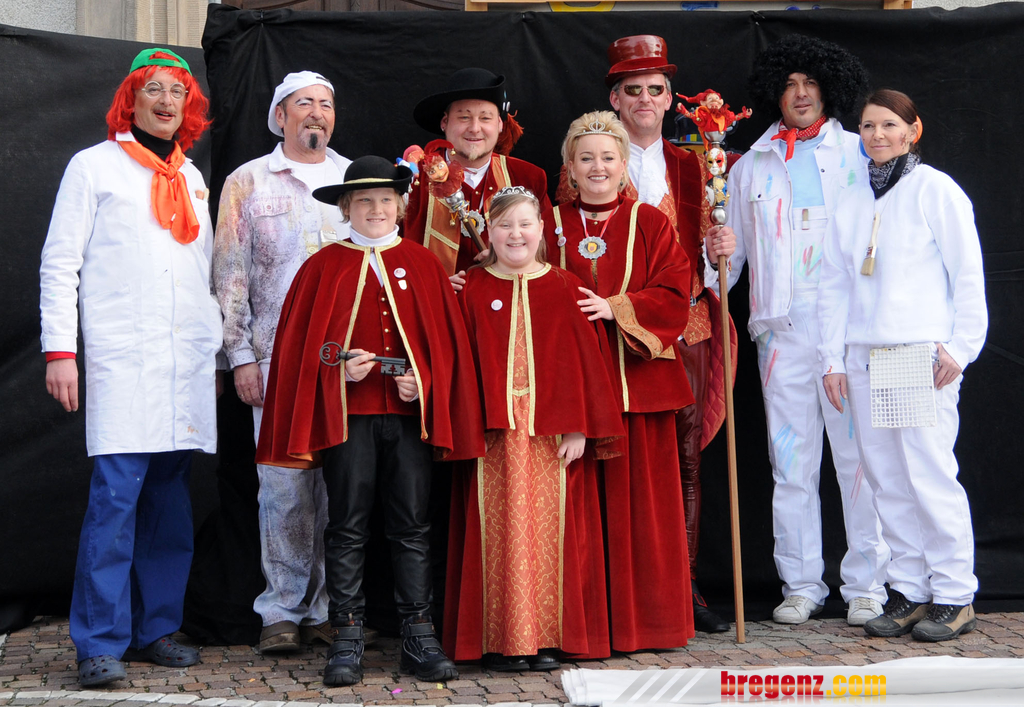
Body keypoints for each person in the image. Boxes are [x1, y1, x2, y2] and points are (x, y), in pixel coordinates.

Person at [254, 156, 485, 685]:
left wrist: (423, 382)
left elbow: (447, 348)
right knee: (347, 526)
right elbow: (302, 351)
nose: (376, 209)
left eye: (385, 200)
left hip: (407, 420)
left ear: (400, 206)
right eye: (364, 201)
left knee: (412, 526)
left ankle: (419, 636)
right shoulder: (322, 266)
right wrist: (339, 370)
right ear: (345, 208)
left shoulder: (423, 263)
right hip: (349, 418)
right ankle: (347, 637)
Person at [39, 48, 221, 686]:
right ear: (131, 100)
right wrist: (60, 352)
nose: (167, 101)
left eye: (178, 91)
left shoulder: (192, 178)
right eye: (155, 89)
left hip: (183, 363)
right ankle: (99, 642)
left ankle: (156, 629)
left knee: (169, 503)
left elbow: (202, 275)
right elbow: (60, 263)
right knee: (115, 502)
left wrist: (214, 352)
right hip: (123, 360)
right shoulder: (93, 167)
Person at [714, 35, 888, 626]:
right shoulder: (749, 165)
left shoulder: (859, 152)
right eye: (789, 84)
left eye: (810, 82)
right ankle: (801, 585)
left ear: (829, 87)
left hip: (848, 334)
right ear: (775, 94)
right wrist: (710, 263)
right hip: (780, 334)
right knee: (790, 466)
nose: (800, 93)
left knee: (859, 463)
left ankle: (867, 586)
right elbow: (730, 264)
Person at [818, 89, 987, 642]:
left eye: (890, 124)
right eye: (868, 126)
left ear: (913, 131)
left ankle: (954, 594)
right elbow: (834, 284)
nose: (877, 135)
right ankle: (910, 590)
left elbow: (968, 273)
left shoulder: (935, 189)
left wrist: (961, 346)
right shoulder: (851, 199)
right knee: (886, 482)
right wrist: (832, 358)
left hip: (917, 354)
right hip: (864, 356)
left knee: (928, 476)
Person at [444, 187, 623, 670]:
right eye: (504, 225)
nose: (515, 234)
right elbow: (456, 363)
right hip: (493, 435)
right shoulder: (472, 288)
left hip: (550, 434)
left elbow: (584, 363)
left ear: (542, 229)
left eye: (525, 224)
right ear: (489, 231)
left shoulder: (563, 285)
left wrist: (579, 427)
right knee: (498, 531)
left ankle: (546, 638)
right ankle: (501, 641)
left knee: (549, 534)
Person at [543, 111, 694, 651]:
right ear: (569, 166)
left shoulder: (650, 221)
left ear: (624, 163)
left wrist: (617, 308)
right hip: (570, 389)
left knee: (642, 514)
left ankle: (646, 625)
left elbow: (676, 290)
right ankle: (582, 629)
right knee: (576, 514)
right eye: (586, 158)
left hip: (638, 382)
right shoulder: (546, 223)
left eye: (608, 157)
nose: (598, 167)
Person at [213, 70, 351, 653]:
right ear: (279, 116)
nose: (316, 112)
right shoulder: (248, 181)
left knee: (339, 489)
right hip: (275, 360)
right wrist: (239, 356)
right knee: (284, 489)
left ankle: (328, 610)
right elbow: (230, 274)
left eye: (325, 103)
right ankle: (282, 611)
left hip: (346, 363)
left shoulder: (355, 178)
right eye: (303, 103)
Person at [604, 34, 737, 633]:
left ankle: (683, 584)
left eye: (655, 89)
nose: (645, 100)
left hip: (687, 324)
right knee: (619, 455)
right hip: (617, 326)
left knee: (686, 460)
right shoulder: (591, 161)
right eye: (632, 90)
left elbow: (714, 261)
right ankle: (620, 588)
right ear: (615, 98)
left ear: (668, 98)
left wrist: (721, 249)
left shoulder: (696, 166)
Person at [405, 68, 551, 280]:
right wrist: (434, 285)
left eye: (485, 118)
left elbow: (547, 252)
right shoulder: (414, 178)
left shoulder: (527, 177)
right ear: (444, 122)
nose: (475, 128)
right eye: (464, 117)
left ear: (499, 124)